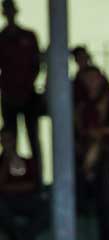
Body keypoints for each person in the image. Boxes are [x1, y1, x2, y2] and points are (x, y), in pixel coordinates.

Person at [75, 65, 109, 240]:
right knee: (95, 193)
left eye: (93, 78)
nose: (90, 82)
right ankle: (103, 237)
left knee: (106, 192)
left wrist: (101, 131)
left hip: (105, 150)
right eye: (87, 79)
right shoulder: (82, 100)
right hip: (86, 151)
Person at [0, 0, 41, 187]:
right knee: (10, 140)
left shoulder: (28, 36)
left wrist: (27, 85)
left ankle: (36, 181)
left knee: (33, 138)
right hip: (9, 96)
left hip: (28, 95)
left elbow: (36, 64)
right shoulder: (2, 38)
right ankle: (12, 179)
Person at [0, 126, 47, 240]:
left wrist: (8, 187)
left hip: (26, 199)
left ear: (15, 140)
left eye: (9, 140)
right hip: (5, 202)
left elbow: (32, 185)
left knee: (46, 207)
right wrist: (6, 161)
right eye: (3, 140)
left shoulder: (27, 161)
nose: (7, 144)